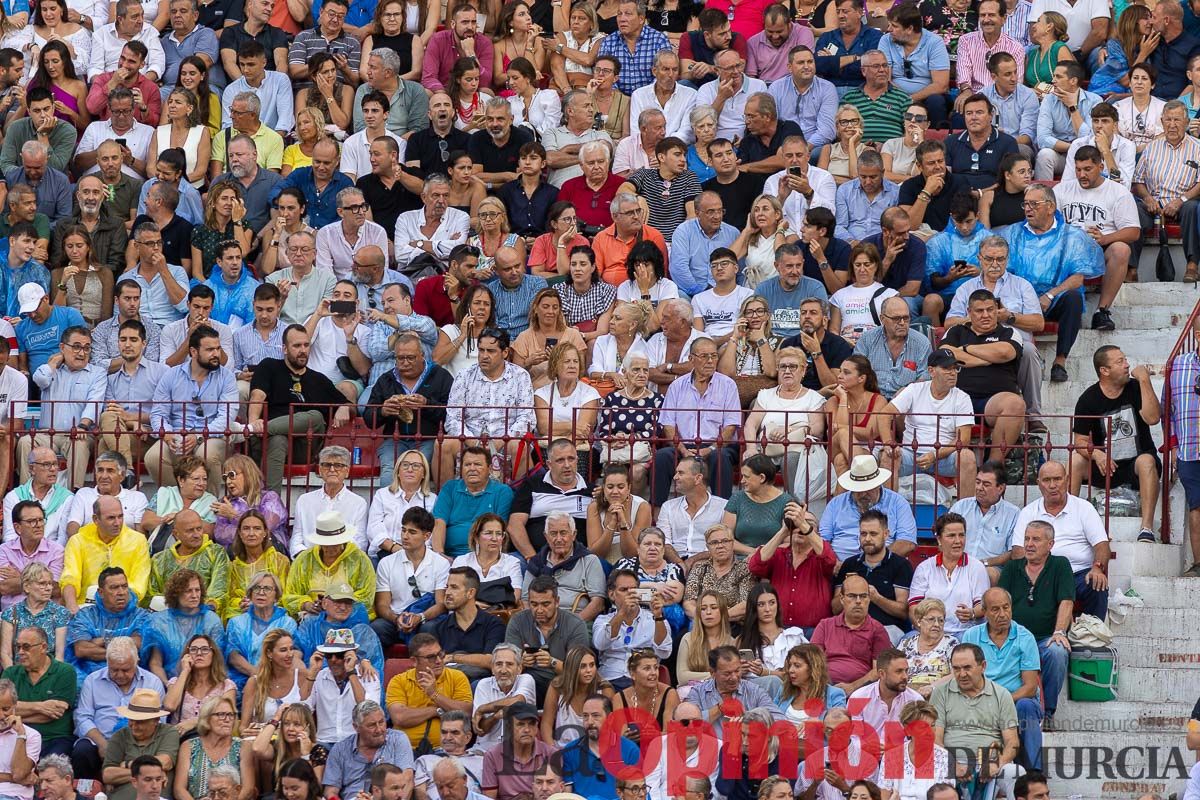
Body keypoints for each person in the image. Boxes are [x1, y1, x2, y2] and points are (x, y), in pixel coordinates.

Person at [1001, 183, 1105, 382]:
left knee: (1074, 298)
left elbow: (1077, 278)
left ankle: (1060, 361)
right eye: (1025, 204)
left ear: (1050, 207)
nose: (1028, 209)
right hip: (1020, 299)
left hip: (1053, 299)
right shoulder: (1012, 234)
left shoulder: (1072, 236)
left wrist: (1050, 295)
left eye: (1034, 204)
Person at [1069, 345, 1161, 541]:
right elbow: (1079, 441)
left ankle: (1146, 528)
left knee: (1146, 460)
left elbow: (1153, 418)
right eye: (1120, 362)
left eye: (1125, 360)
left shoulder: (1136, 387)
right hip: (1106, 467)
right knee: (1076, 460)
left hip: (1136, 464)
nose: (1127, 365)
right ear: (1105, 371)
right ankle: (1070, 520)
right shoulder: (1088, 399)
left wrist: (1144, 380)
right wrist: (1096, 454)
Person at [996, 521, 1072, 732]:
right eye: (1027, 539)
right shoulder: (1013, 567)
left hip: (1043, 638)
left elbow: (1066, 601)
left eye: (1036, 539)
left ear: (1050, 544)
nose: (1029, 544)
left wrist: (1059, 632)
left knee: (1057, 652)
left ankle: (1047, 714)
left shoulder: (1060, 565)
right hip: (1013, 639)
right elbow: (999, 601)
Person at [1012, 461, 1111, 619]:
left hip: (1079, 574)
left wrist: (1097, 568)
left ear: (1067, 480)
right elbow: (1018, 552)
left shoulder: (1083, 508)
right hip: (1043, 574)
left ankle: (1091, 636)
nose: (1052, 485)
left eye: (1057, 479)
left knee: (1097, 583)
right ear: (1038, 484)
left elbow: (1102, 546)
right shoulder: (1028, 512)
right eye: (1046, 480)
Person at [938, 290, 1026, 463]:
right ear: (969, 313)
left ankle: (993, 466)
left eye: (990, 309)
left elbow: (1004, 352)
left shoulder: (1008, 332)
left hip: (992, 402)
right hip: (956, 399)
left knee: (1015, 404)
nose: (986, 315)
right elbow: (945, 354)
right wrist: (986, 359)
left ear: (997, 310)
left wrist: (965, 349)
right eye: (979, 311)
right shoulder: (956, 331)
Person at [652, 337, 740, 508]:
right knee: (662, 457)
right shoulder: (677, 386)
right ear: (691, 359)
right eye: (704, 356)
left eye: (714, 356)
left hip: (717, 445)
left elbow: (731, 426)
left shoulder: (728, 385)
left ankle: (724, 511)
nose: (710, 361)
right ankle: (657, 511)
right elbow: (668, 424)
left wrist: (711, 448)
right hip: (683, 445)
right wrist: (683, 450)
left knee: (720, 457)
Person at [17, 322, 102, 490]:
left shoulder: (97, 373)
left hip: (78, 433)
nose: (82, 353)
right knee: (26, 441)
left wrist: (82, 427)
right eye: (76, 347)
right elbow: (39, 380)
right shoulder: (49, 370)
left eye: (86, 348)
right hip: (47, 433)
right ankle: (26, 494)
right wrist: (54, 363)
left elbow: (95, 403)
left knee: (79, 443)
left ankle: (72, 494)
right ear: (62, 347)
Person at [929, 644, 1020, 798]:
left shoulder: (1002, 695)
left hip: (990, 761)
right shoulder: (940, 693)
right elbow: (935, 739)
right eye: (956, 669)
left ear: (983, 666)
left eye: (967, 667)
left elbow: (1013, 742)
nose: (961, 674)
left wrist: (997, 763)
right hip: (952, 759)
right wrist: (952, 764)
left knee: (1015, 773)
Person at [1132, 101, 1200, 283]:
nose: (1172, 124)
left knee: (1193, 208)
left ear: (1186, 122)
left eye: (1177, 119)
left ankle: (1192, 265)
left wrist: (1180, 200)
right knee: (1134, 210)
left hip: (1183, 203)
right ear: (1161, 122)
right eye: (1168, 119)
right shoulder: (1152, 147)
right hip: (1153, 205)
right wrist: (1147, 198)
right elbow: (1138, 181)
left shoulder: (1198, 147)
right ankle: (1131, 269)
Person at [505, 576, 592, 703]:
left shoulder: (575, 624)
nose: (539, 610)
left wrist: (552, 662)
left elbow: (580, 671)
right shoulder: (518, 621)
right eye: (534, 604)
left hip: (564, 683)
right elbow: (507, 663)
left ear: (557, 602)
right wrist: (521, 663)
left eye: (545, 604)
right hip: (527, 682)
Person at [60, 495, 149, 615]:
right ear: (96, 519)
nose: (118, 523)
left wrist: (113, 601)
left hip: (125, 608)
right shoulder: (78, 541)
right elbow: (70, 578)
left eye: (120, 516)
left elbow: (139, 585)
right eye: (111, 518)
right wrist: (71, 606)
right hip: (87, 609)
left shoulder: (138, 541)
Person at [384, 632, 472, 750]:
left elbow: (465, 712)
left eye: (440, 654)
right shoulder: (398, 681)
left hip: (447, 750)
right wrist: (436, 711)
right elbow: (400, 717)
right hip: (406, 749)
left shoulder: (457, 677)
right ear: (414, 661)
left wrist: (434, 694)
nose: (439, 661)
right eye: (431, 657)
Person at [908, 513, 988, 640]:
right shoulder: (924, 568)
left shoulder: (976, 567)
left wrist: (972, 613)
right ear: (939, 539)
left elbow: (983, 606)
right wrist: (927, 631)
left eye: (961, 535)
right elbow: (914, 608)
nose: (958, 541)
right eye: (951, 536)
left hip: (964, 633)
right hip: (927, 632)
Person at [832, 512, 913, 638]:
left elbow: (903, 612)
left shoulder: (900, 565)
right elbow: (834, 609)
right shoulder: (850, 564)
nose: (867, 539)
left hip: (887, 628)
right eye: (863, 534)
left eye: (873, 534)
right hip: (849, 627)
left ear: (886, 534)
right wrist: (847, 590)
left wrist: (876, 598)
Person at [282, 512, 376, 617]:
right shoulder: (304, 560)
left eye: (335, 543)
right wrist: (306, 604)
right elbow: (290, 595)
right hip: (311, 617)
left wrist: (335, 605)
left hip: (349, 617)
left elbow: (366, 596)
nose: (330, 548)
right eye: (326, 544)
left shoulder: (360, 559)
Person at [64, 567, 149, 681]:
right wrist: (126, 652)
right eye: (114, 588)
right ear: (101, 592)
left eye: (124, 586)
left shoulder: (141, 616)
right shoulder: (85, 615)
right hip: (89, 676)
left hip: (130, 676)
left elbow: (138, 643)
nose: (121, 592)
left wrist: (103, 640)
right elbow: (81, 650)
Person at [521, 513, 607, 623]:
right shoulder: (536, 562)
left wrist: (571, 625)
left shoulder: (589, 560)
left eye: (563, 533)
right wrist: (536, 624)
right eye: (553, 534)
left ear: (574, 534)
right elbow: (525, 599)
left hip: (577, 622)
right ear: (546, 536)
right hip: (539, 621)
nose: (558, 539)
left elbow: (598, 603)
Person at [323, 700, 415, 798]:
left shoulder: (398, 739)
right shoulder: (340, 750)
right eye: (372, 725)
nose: (379, 729)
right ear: (356, 727)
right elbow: (330, 792)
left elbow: (407, 779)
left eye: (381, 722)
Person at [306, 628, 382, 747]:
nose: (334, 660)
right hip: (325, 742)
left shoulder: (368, 675)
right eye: (329, 655)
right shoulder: (319, 676)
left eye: (340, 655)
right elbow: (304, 708)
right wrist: (312, 673)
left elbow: (368, 712)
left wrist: (351, 672)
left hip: (357, 742)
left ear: (352, 655)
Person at [99, 689, 179, 800]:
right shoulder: (120, 736)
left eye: (140, 721)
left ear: (156, 720)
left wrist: (127, 764)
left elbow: (164, 762)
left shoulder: (168, 732)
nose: (133, 725)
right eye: (131, 719)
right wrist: (151, 774)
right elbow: (108, 775)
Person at [947, 461, 1019, 580]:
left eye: (986, 484)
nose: (979, 488)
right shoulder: (961, 507)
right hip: (958, 563)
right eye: (978, 482)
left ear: (1000, 488)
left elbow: (1011, 552)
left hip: (991, 567)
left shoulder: (1013, 513)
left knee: (987, 574)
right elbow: (945, 537)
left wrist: (982, 564)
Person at [669, 191, 739, 299]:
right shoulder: (683, 231)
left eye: (720, 211)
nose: (717, 216)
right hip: (692, 293)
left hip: (727, 293)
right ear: (697, 213)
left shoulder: (733, 233)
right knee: (678, 297)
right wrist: (701, 294)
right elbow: (679, 268)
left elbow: (740, 269)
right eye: (710, 212)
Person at [480, 702, 556, 800]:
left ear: (537, 726)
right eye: (521, 724)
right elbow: (489, 798)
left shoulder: (551, 753)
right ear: (509, 727)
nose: (527, 730)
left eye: (531, 724)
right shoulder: (492, 755)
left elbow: (556, 794)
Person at [688, 645, 780, 724]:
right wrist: (719, 709)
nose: (734, 678)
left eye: (737, 671)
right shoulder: (697, 693)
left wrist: (750, 719)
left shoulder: (754, 691)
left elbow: (779, 719)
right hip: (712, 743)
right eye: (727, 674)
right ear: (712, 672)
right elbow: (686, 725)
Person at [596, 0, 670, 96]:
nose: (622, 19)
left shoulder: (659, 40)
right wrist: (622, 100)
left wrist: (642, 98)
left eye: (628, 14)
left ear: (641, 19)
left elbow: (665, 75)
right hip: (617, 99)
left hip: (651, 97)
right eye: (619, 14)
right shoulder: (608, 42)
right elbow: (602, 75)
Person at [472, 644, 536, 750]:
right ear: (492, 669)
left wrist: (482, 709)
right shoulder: (483, 685)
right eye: (499, 664)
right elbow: (481, 730)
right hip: (485, 750)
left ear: (519, 668)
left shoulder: (526, 679)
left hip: (517, 750)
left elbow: (517, 701)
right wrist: (495, 717)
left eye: (509, 664)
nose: (503, 670)